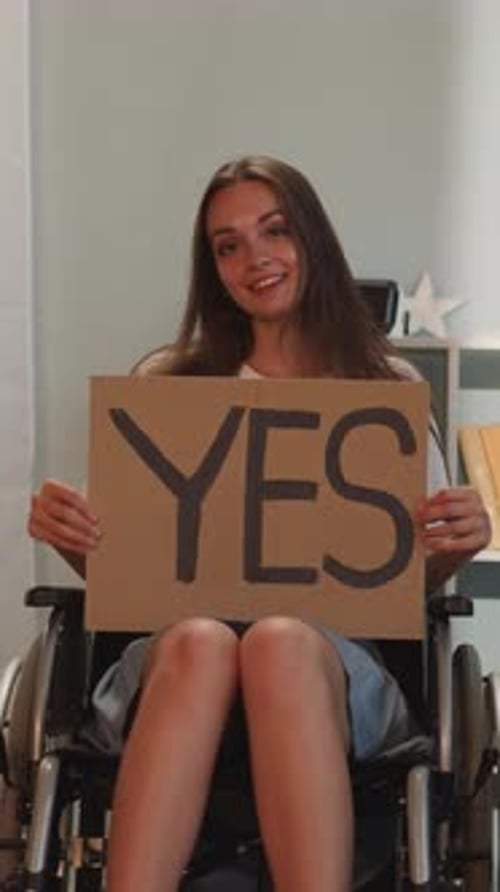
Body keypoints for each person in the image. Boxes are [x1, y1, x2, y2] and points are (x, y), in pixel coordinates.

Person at [28, 156, 491, 892]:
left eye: (275, 231)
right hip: (179, 654)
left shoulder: (384, 388)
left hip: (334, 664)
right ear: (213, 268)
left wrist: (455, 544)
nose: (256, 258)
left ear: (312, 238)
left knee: (279, 637)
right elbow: (135, 574)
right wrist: (73, 535)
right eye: (228, 245)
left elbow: (408, 585)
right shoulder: (169, 382)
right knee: (204, 639)